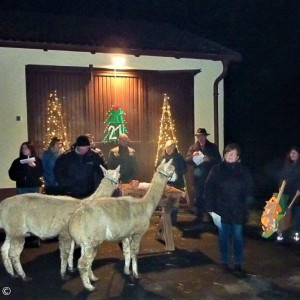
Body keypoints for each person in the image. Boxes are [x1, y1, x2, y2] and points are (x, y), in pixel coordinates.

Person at [204, 143, 253, 274]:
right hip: (221, 210)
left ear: (238, 156)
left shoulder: (244, 171)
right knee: (223, 238)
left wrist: (247, 207)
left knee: (238, 238)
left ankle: (238, 263)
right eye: (228, 153)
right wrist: (209, 208)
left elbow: (249, 190)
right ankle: (224, 262)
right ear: (224, 155)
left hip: (238, 210)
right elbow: (208, 189)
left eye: (233, 153)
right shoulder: (216, 169)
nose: (231, 156)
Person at [186, 128, 221, 221]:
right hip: (198, 177)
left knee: (209, 196)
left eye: (202, 136)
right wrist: (193, 156)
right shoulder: (193, 148)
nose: (200, 138)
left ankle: (209, 216)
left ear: (205, 136)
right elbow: (187, 160)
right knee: (198, 197)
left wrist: (208, 159)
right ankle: (199, 215)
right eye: (198, 136)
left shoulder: (213, 147)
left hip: (210, 176)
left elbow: (218, 160)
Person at [157, 140, 187, 224]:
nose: (169, 149)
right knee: (163, 201)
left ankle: (172, 220)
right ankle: (162, 220)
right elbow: (157, 168)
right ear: (165, 148)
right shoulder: (161, 158)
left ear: (174, 148)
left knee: (174, 202)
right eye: (168, 147)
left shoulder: (179, 157)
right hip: (164, 184)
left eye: (171, 147)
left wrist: (175, 172)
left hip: (175, 184)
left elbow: (184, 169)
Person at [277, 146, 300, 242]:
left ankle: (296, 232)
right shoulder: (287, 165)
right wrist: (280, 186)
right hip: (286, 192)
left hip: (297, 194)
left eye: (295, 153)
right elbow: (282, 177)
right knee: (283, 213)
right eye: (291, 153)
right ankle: (281, 232)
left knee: (297, 213)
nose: (292, 155)